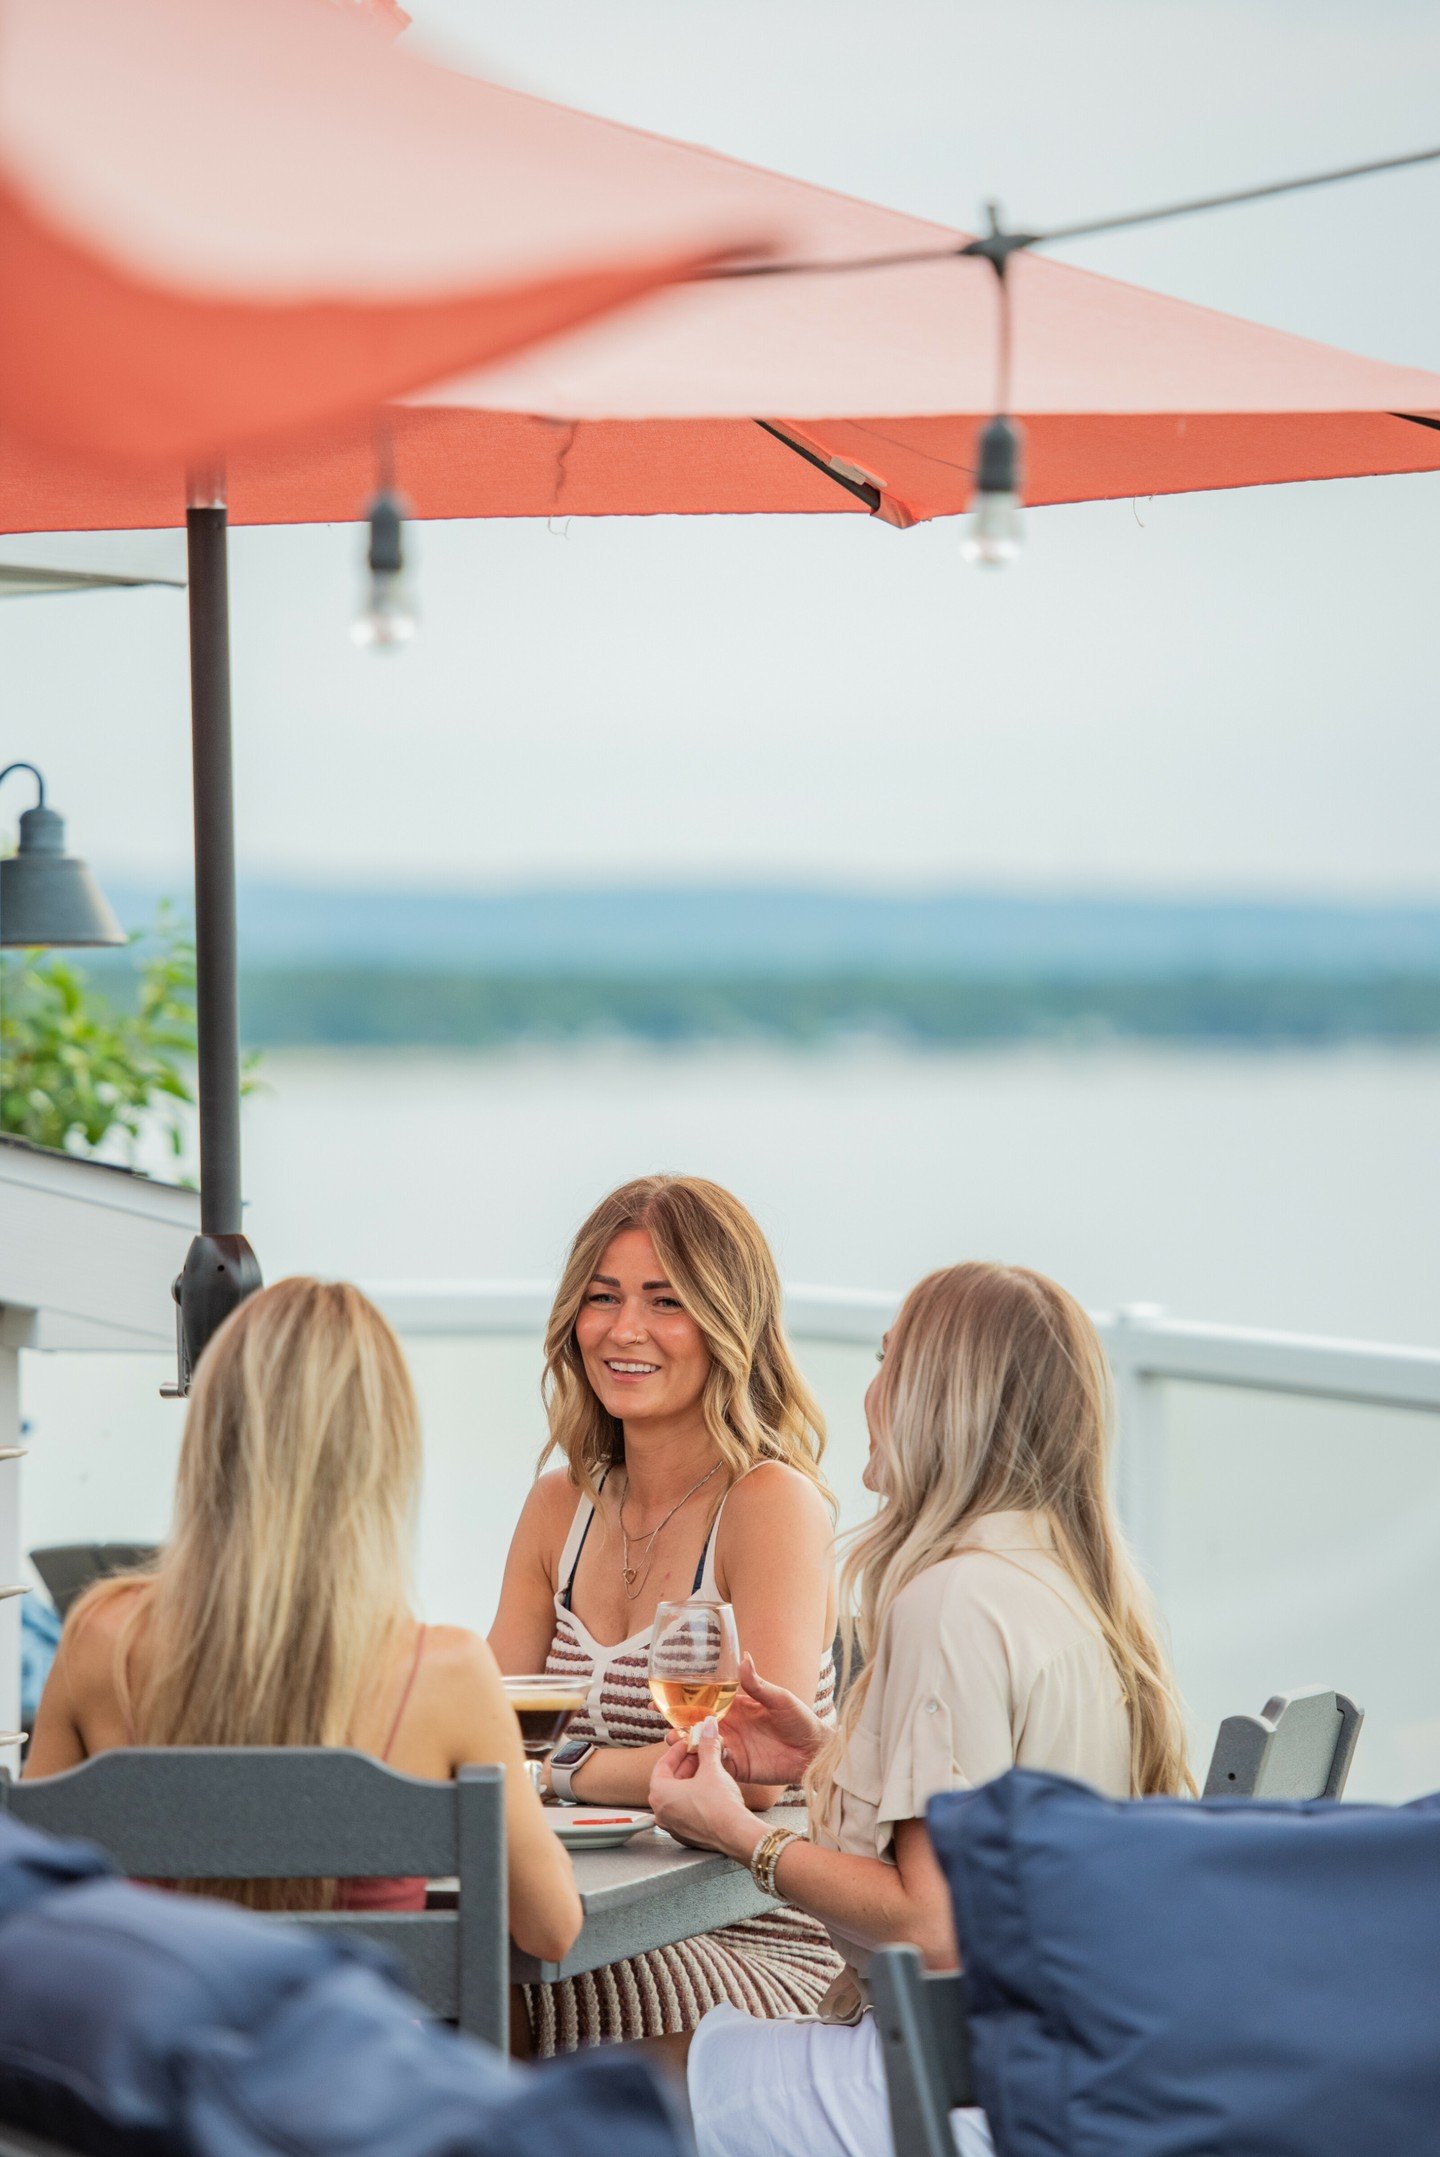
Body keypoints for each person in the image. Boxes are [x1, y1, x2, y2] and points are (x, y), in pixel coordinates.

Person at [647, 1260, 1193, 2157]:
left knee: (596, 2090)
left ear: (939, 1398)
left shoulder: (950, 1602)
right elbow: (1009, 1821)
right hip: (1066, 2070)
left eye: (886, 1360)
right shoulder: (1078, 1585)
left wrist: (744, 1837)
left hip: (957, 2087)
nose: (868, 1392)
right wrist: (824, 1753)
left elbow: (934, 1932)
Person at [26, 1277, 581, 1969]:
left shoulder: (99, 1640)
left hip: (157, 2068)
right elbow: (550, 1927)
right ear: (383, 1454)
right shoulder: (445, 1673)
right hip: (355, 2070)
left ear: (213, 1436)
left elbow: (27, 1895)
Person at [490, 1173, 840, 2056]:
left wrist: (557, 1770)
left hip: (754, 1931)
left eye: (665, 1301)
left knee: (483, 2001)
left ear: (729, 1323)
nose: (624, 1329)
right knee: (451, 1982)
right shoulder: (557, 1506)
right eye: (601, 1298)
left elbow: (748, 1778)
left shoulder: (770, 1503)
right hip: (584, 1915)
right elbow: (483, 1736)